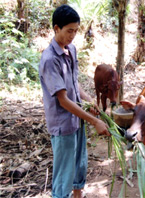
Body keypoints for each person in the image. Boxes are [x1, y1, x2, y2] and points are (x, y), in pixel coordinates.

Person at [39, 4, 110, 198]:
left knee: (79, 163)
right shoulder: (50, 60)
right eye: (69, 31)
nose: (72, 35)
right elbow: (62, 99)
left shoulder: (71, 50)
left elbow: (73, 82)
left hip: (76, 119)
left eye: (76, 31)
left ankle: (77, 195)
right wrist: (94, 121)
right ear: (56, 28)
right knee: (64, 173)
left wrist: (88, 101)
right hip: (63, 123)